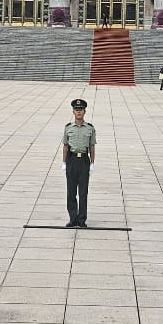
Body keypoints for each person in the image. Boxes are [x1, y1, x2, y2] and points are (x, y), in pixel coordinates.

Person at [61, 97, 96, 228]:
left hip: (84, 162)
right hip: (71, 160)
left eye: (81, 109)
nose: (79, 112)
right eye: (76, 110)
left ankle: (82, 220)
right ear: (73, 112)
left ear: (85, 112)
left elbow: (92, 146)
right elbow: (65, 145)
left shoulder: (90, 128)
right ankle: (72, 218)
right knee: (71, 192)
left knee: (83, 192)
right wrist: (64, 162)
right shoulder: (68, 128)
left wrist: (92, 163)